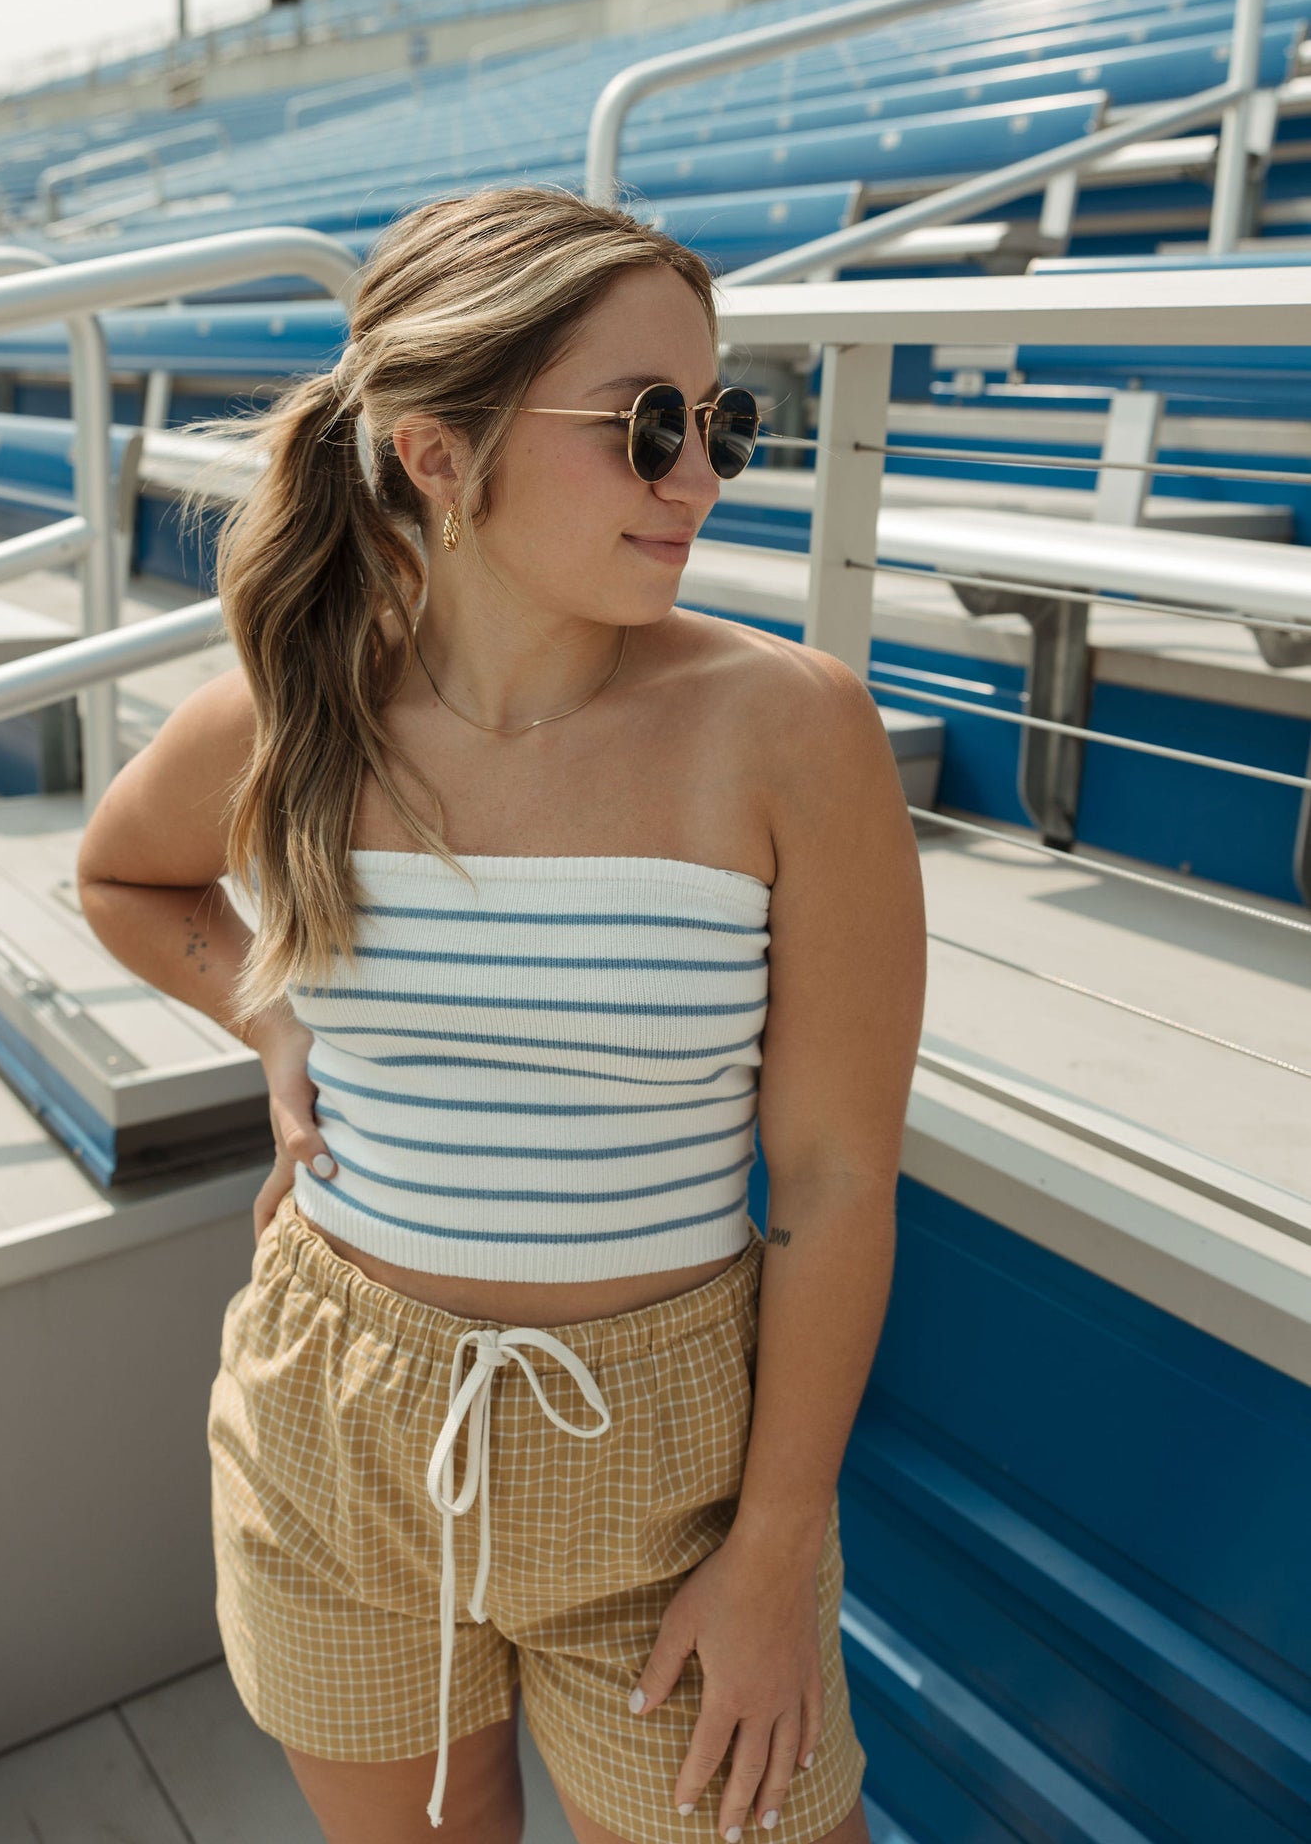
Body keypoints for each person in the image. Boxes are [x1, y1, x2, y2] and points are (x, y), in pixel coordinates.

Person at [77, 184, 926, 1844]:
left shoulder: (786, 727)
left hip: (671, 1461)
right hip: (335, 1421)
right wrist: (272, 1026)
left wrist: (769, 1557)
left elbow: (831, 1181)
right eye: (644, 425)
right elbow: (127, 880)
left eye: (720, 423)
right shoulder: (293, 706)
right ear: (436, 454)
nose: (696, 475)